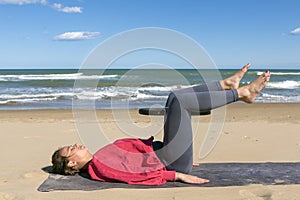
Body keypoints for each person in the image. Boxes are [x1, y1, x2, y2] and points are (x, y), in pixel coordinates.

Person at [51, 64, 271, 185]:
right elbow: (133, 175)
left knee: (174, 97)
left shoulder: (99, 159)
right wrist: (177, 175)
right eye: (71, 149)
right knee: (181, 102)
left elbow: (138, 158)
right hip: (171, 163)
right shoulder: (100, 166)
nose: (77, 145)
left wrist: (181, 155)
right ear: (71, 164)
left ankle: (225, 85)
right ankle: (243, 93)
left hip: (170, 155)